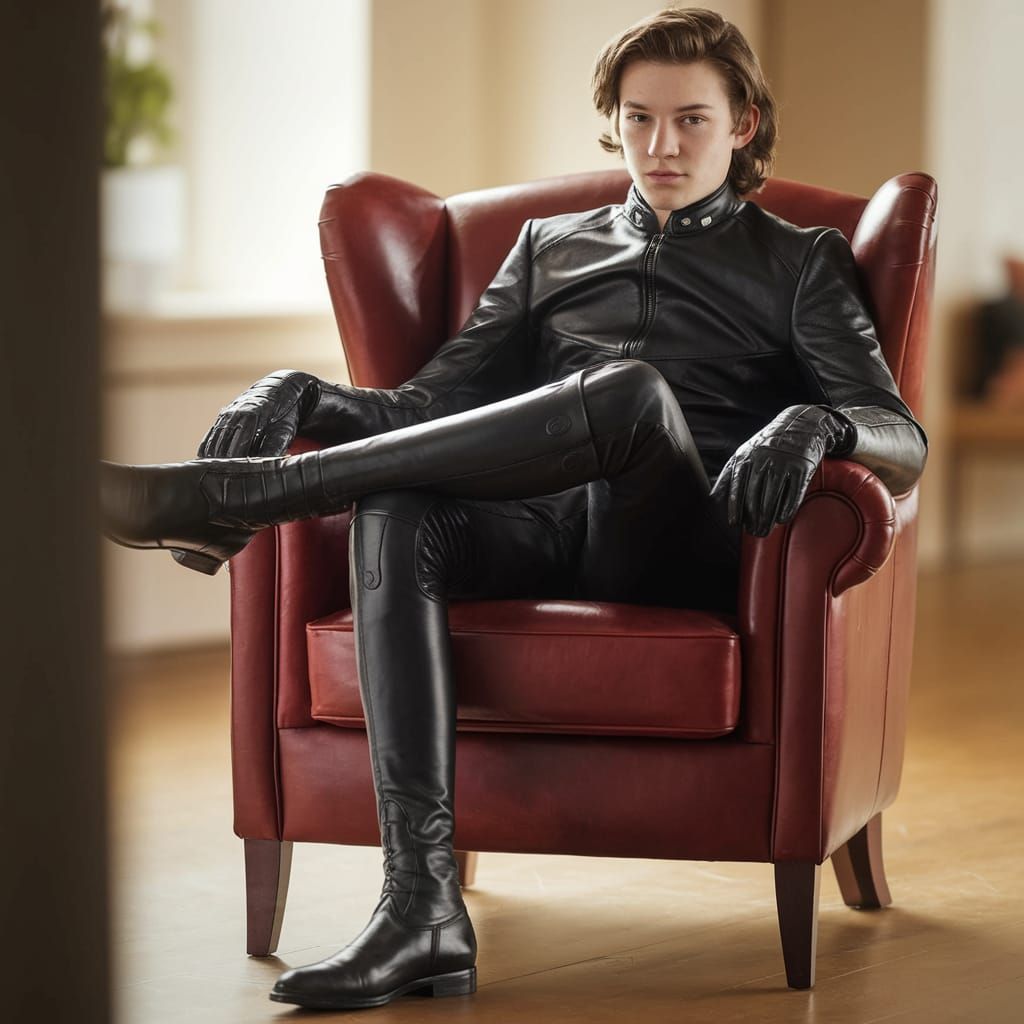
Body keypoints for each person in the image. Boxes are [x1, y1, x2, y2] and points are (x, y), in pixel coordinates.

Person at [100, 6, 929, 1012]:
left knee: (627, 392)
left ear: (743, 124)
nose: (660, 145)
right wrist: (304, 391)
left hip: (681, 543)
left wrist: (814, 425)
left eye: (691, 121)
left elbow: (895, 430)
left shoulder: (799, 262)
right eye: (637, 120)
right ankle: (421, 910)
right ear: (612, 122)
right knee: (396, 506)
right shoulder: (547, 248)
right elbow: (426, 407)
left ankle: (248, 498)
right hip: (542, 530)